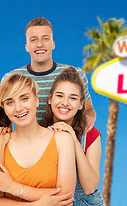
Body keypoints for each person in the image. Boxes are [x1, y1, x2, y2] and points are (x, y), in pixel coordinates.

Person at [0, 73, 76, 206]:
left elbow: (65, 197)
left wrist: (12, 187)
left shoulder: (62, 140)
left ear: (36, 100)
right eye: (10, 102)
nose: (18, 108)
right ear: (4, 108)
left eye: (24, 98)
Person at [2, 17, 96, 130]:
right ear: (27, 47)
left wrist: (89, 118)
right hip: (30, 143)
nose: (39, 44)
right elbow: (6, 117)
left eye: (45, 39)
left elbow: (89, 109)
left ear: (53, 44)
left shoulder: (75, 75)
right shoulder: (11, 78)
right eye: (33, 40)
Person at [44, 67, 105, 206]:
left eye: (73, 98)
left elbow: (89, 187)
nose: (65, 103)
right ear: (49, 99)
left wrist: (74, 139)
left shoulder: (91, 134)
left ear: (81, 104)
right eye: (59, 96)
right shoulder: (38, 130)